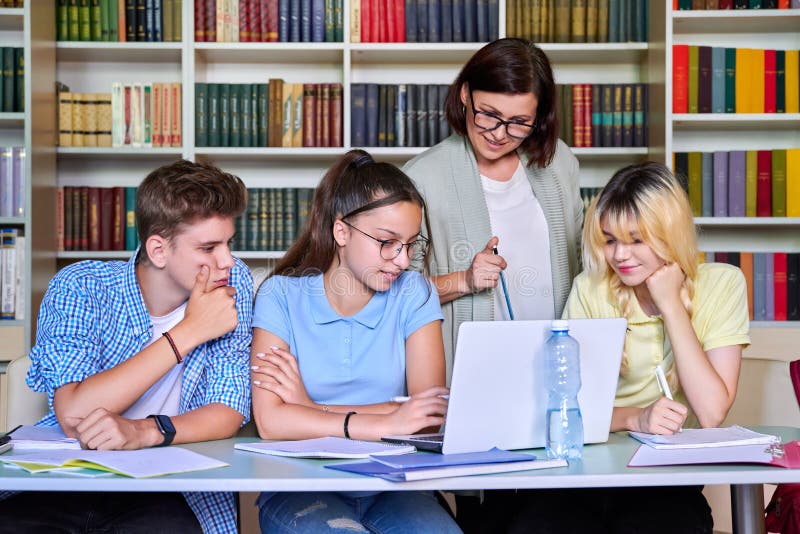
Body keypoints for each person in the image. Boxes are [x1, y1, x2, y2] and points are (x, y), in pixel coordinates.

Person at [0, 160, 253, 533]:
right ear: (158, 249)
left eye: (228, 243)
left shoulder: (233, 285)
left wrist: (146, 431)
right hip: (67, 478)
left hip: (165, 488)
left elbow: (227, 411)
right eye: (208, 247)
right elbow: (73, 414)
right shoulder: (80, 286)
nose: (227, 260)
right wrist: (189, 332)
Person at [509, 162, 750, 533]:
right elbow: (566, 410)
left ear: (671, 235)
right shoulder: (590, 290)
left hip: (662, 483)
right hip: (582, 476)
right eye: (610, 240)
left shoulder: (723, 284)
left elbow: (712, 412)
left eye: (636, 240)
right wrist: (637, 418)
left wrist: (671, 305)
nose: (620, 255)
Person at [250, 149, 461, 534]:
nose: (401, 260)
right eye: (387, 242)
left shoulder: (415, 293)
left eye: (411, 245)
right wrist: (388, 418)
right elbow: (270, 421)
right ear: (341, 231)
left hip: (398, 484)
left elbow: (427, 418)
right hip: (302, 485)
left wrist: (310, 409)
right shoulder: (279, 296)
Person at [403, 37, 583, 379]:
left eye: (519, 121)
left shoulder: (559, 162)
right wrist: (464, 281)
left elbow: (584, 265)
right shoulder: (421, 177)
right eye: (489, 115)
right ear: (465, 94)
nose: (500, 134)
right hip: (471, 371)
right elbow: (395, 295)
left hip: (556, 366)